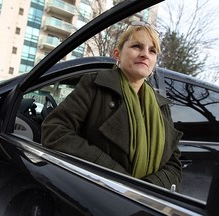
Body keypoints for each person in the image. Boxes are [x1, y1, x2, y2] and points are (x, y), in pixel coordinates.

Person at [41, 21, 183, 190]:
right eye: (137, 46)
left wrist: (145, 188)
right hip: (97, 194)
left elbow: (174, 164)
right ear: (117, 54)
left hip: (145, 203)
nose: (145, 54)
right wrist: (116, 177)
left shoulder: (162, 107)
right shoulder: (94, 85)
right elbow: (54, 130)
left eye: (152, 51)